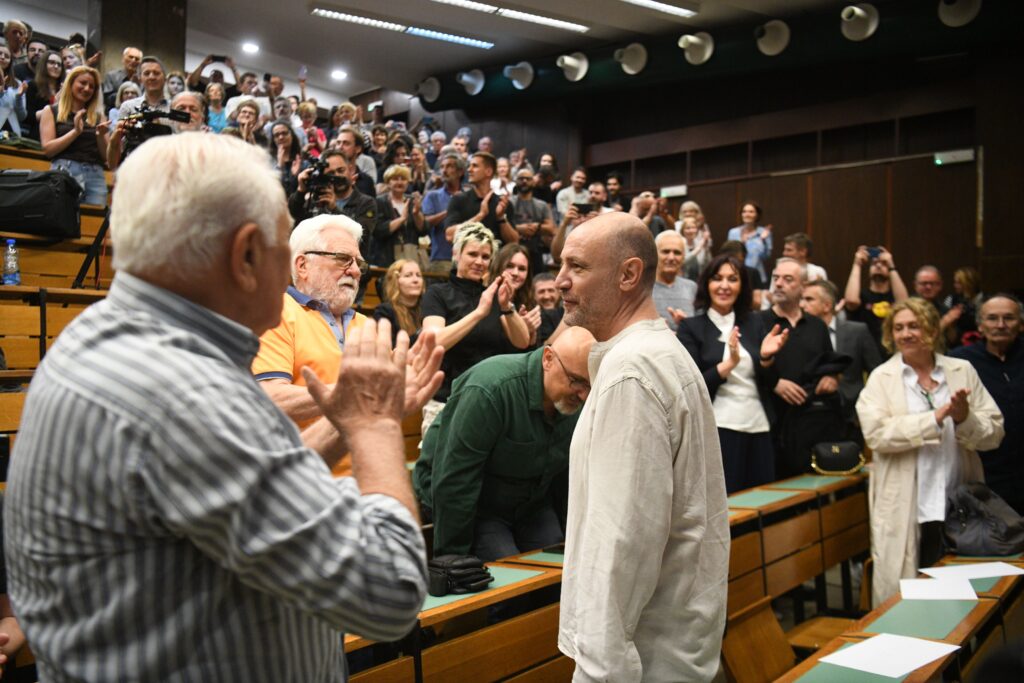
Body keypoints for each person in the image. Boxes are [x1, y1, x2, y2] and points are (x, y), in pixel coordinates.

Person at [3, 132, 442, 681]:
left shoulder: (111, 339)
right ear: (246, 255)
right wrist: (377, 425)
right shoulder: (184, 390)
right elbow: (390, 591)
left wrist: (346, 418)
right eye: (285, 248)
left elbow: (250, 479)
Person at [554, 212, 728, 681]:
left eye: (578, 267)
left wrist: (598, 671)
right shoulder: (660, 353)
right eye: (561, 265)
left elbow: (621, 543)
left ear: (628, 274)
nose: (560, 281)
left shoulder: (632, 371)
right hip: (670, 646)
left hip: (644, 659)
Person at [857, 298, 1003, 607]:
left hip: (958, 504)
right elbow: (877, 434)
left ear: (933, 330)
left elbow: (994, 432)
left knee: (964, 599)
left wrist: (963, 418)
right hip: (908, 506)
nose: (906, 334)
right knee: (909, 599)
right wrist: (935, 418)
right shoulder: (881, 380)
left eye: (914, 326)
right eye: (898, 328)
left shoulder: (961, 370)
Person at [414, 326, 595, 561]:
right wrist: (452, 562)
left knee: (561, 569)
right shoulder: (491, 388)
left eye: (589, 385)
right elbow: (455, 479)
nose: (583, 395)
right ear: (548, 359)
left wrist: (569, 538)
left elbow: (563, 476)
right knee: (509, 581)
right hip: (476, 504)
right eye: (576, 381)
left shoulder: (575, 400)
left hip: (531, 503)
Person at [251, 214, 372, 477]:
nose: (354, 270)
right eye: (342, 259)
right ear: (302, 265)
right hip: (303, 483)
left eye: (359, 263)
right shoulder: (278, 312)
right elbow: (270, 398)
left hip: (367, 482)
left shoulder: (367, 325)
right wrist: (347, 395)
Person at [678, 254, 788, 493]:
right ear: (706, 284)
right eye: (717, 279)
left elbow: (771, 382)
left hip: (759, 424)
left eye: (732, 279)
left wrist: (767, 358)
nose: (725, 286)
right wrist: (729, 364)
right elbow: (692, 386)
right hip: (720, 427)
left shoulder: (755, 323)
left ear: (742, 286)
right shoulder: (691, 328)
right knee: (727, 503)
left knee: (762, 501)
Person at [421, 223, 530, 431]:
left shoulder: (494, 295)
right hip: (445, 402)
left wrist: (507, 307)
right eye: (472, 254)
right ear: (456, 254)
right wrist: (479, 313)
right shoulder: (438, 294)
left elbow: (523, 341)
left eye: (485, 256)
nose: (479, 262)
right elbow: (434, 341)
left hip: (488, 403)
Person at [758, 258, 839, 477]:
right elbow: (748, 368)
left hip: (810, 424)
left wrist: (832, 377)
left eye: (787, 279)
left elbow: (829, 364)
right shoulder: (757, 322)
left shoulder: (817, 326)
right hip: (770, 421)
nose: (779, 284)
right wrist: (774, 382)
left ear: (803, 286)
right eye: (776, 278)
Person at [950, 294, 1024, 514]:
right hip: (987, 473)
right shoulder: (960, 362)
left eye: (1009, 318)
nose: (1000, 325)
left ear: (1021, 324)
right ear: (980, 325)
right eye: (992, 318)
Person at [801, 279, 881, 421]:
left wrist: (867, 410)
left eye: (809, 299)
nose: (802, 305)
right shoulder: (797, 334)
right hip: (810, 414)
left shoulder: (857, 331)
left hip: (851, 414)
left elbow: (877, 373)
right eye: (801, 299)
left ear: (826, 305)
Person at [39, 66, 109, 206]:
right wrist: (76, 131)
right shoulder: (51, 111)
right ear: (70, 84)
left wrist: (101, 136)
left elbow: (106, 156)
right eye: (83, 83)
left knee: (94, 223)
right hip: (64, 172)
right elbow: (48, 149)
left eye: (92, 86)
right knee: (61, 221)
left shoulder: (99, 116)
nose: (87, 88)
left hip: (94, 174)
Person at [844, 245, 909, 355]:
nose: (878, 265)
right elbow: (851, 301)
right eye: (874, 264)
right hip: (865, 353)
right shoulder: (862, 295)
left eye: (883, 264)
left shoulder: (895, 295)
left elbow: (905, 304)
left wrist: (891, 265)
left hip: (893, 352)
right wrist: (857, 264)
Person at [443, 152, 519, 245]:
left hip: (497, 258)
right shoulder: (459, 200)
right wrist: (480, 215)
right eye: (469, 166)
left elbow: (514, 241)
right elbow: (449, 235)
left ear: (488, 172)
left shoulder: (502, 204)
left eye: (475, 166)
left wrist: (501, 218)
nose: (469, 170)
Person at [422, 152, 465, 275]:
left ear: (460, 172)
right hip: (440, 258)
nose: (444, 170)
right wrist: (451, 208)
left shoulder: (468, 197)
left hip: (465, 259)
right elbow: (426, 223)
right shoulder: (432, 196)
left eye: (450, 166)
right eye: (442, 167)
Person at [374, 164, 424, 268]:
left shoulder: (413, 201)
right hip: (386, 257)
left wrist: (416, 214)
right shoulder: (379, 202)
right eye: (395, 179)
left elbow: (423, 230)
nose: (400, 182)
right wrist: (401, 219)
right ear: (388, 182)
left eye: (403, 179)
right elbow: (378, 230)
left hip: (410, 254)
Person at [510, 167, 556, 278]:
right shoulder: (508, 202)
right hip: (511, 251)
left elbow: (551, 228)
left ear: (533, 182)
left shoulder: (542, 205)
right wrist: (519, 228)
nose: (524, 181)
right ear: (516, 182)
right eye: (521, 178)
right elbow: (500, 225)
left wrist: (538, 226)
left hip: (535, 252)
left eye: (528, 179)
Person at [651, 231, 697, 332]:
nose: (671, 257)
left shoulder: (692, 287)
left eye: (677, 253)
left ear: (684, 257)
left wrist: (686, 326)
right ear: (654, 254)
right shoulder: (642, 287)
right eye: (666, 251)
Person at [374, 258, 424, 346]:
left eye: (418, 275)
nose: (416, 280)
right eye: (408, 275)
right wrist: (422, 333)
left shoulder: (429, 307)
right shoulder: (384, 311)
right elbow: (388, 347)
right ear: (395, 281)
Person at [727, 200, 772, 283]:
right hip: (737, 274)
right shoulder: (733, 232)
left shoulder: (763, 232)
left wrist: (762, 240)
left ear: (757, 215)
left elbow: (766, 257)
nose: (747, 214)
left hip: (756, 275)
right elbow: (729, 254)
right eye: (744, 212)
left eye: (751, 212)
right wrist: (742, 243)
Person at [23, 49, 63, 140]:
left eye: (59, 64)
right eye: (52, 63)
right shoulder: (33, 86)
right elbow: (28, 116)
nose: (56, 66)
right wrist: (53, 107)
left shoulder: (63, 89)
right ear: (44, 65)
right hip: (38, 135)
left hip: (60, 135)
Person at [941, 266, 983, 348]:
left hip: (979, 340)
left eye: (959, 283)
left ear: (969, 283)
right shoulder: (951, 299)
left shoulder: (984, 300)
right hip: (957, 342)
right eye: (955, 282)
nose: (955, 286)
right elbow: (944, 317)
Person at [269, 119, 307, 196]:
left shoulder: (303, 162)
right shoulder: (269, 161)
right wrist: (279, 166)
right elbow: (270, 188)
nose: (281, 137)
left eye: (284, 133)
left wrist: (294, 176)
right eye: (276, 135)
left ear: (291, 135)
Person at [0, 43, 25, 137]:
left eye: (6, 56)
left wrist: (19, 97)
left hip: (11, 135)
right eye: (0, 53)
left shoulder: (17, 84)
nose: (2, 57)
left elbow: (22, 117)